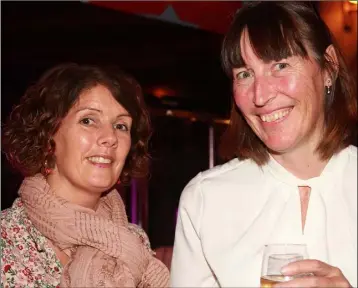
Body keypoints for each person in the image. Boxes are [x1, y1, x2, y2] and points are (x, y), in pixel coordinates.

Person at [170, 2, 357, 287]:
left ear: (328, 67)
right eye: (245, 74)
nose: (260, 95)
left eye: (280, 65)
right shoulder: (206, 200)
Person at [1, 63, 169, 287]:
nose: (110, 137)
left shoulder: (134, 241)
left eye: (121, 126)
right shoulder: (8, 239)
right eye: (88, 120)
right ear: (47, 136)